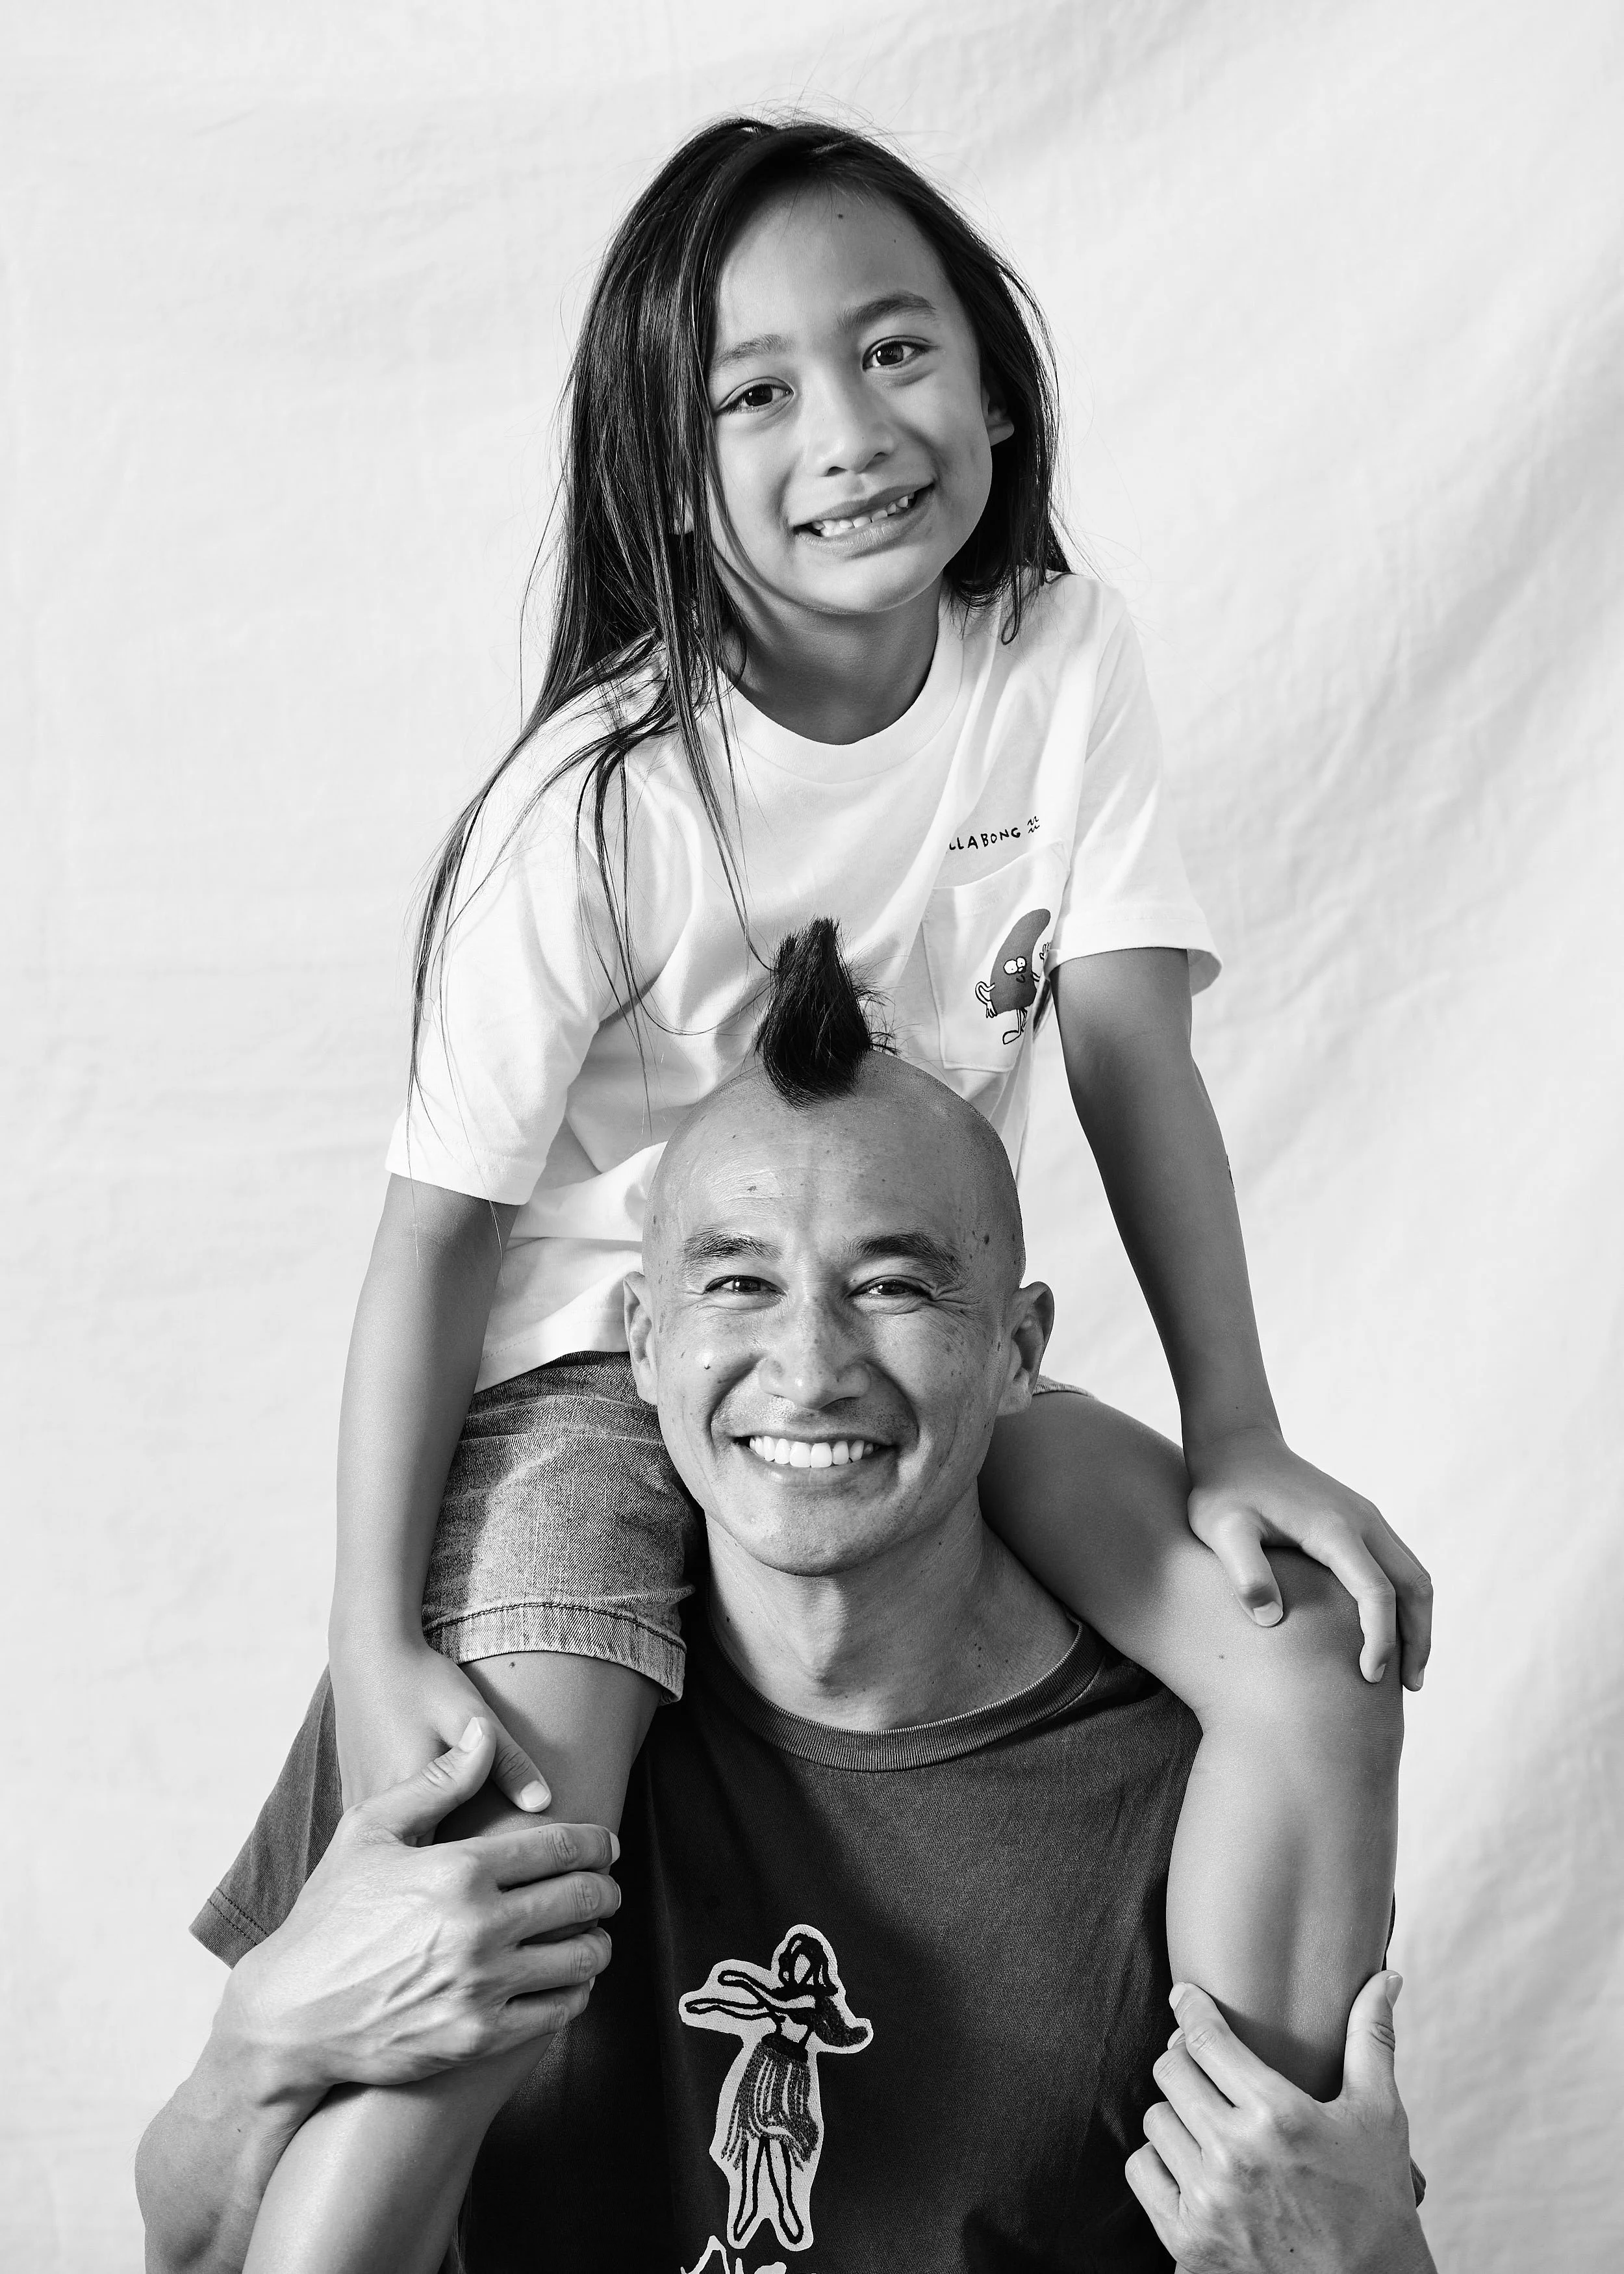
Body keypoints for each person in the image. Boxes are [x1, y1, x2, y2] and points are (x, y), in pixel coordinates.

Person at [138, 925, 1428, 2271]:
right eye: (740, 1282)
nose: (806, 1367)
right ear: (641, 1337)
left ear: (1017, 1349)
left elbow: (1295, 2222)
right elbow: (188, 2250)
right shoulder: (472, 1688)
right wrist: (261, 2048)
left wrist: (1379, 2265)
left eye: (891, 1286)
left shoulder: (1187, 1764)